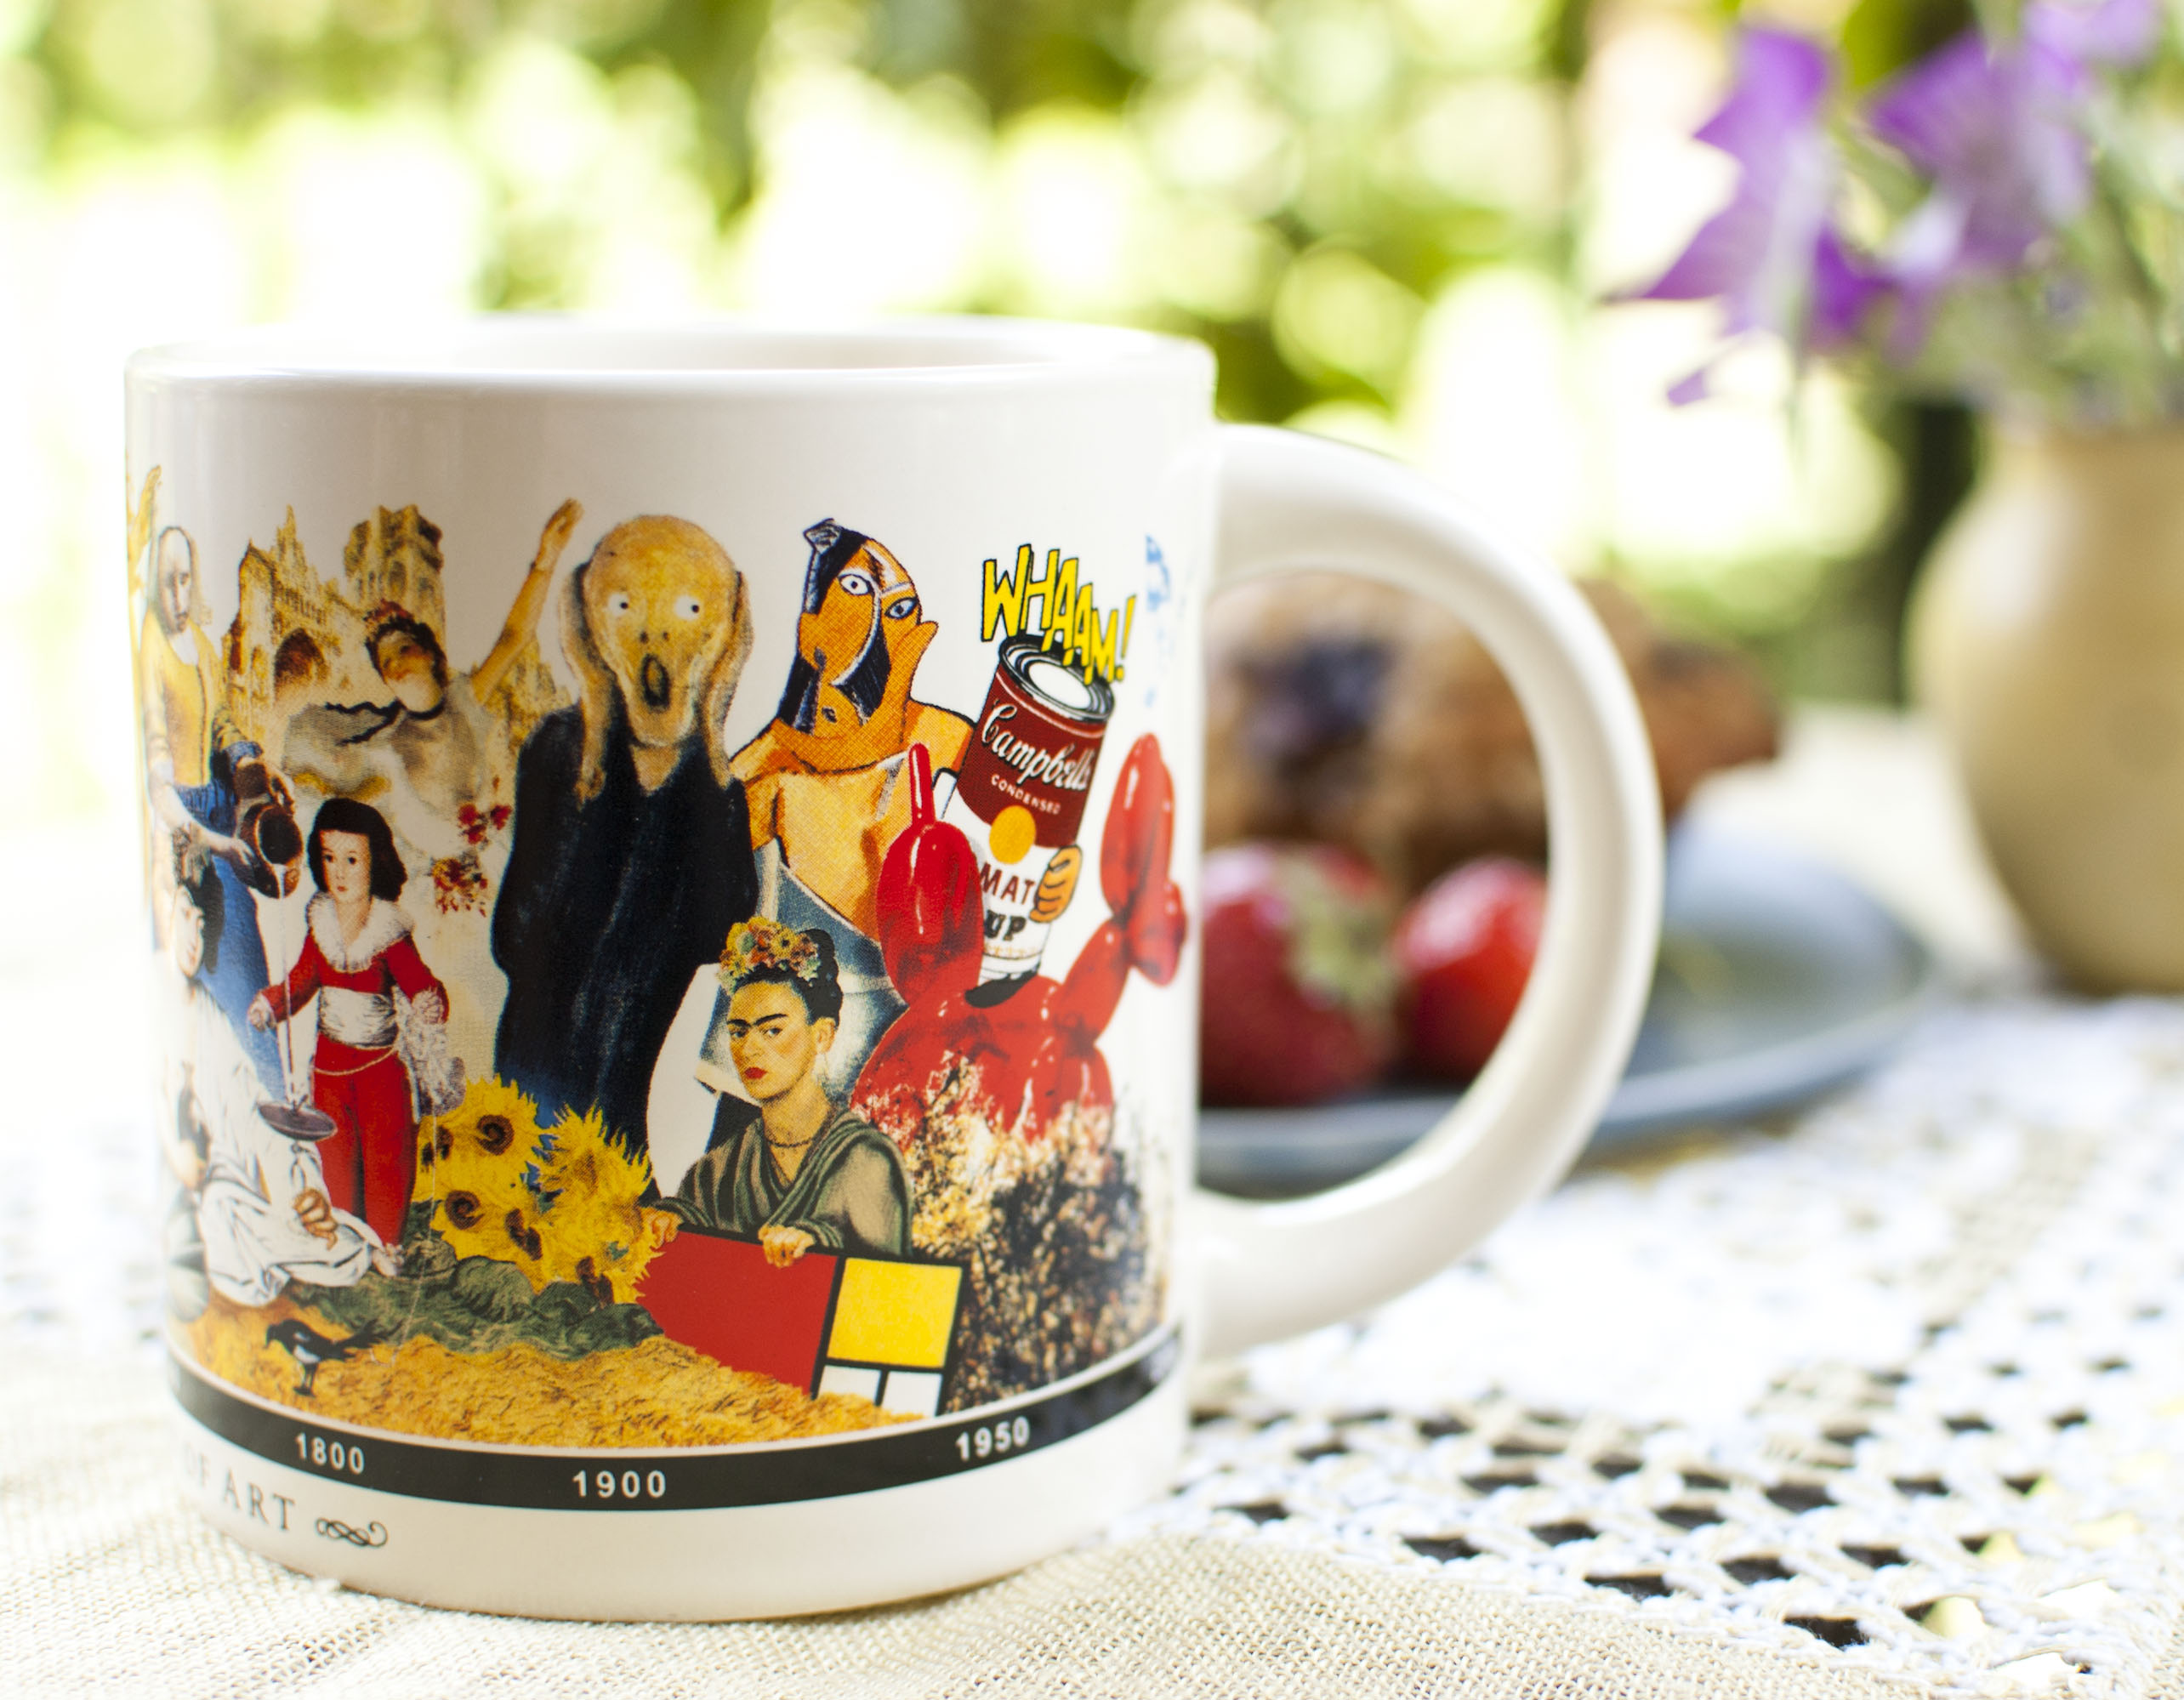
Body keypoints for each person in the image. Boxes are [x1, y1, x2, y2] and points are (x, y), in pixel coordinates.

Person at [491, 515, 759, 1161]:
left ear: (725, 633)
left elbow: (722, 944)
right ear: (589, 619)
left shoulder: (720, 795)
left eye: (689, 609)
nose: (654, 635)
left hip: (645, 1106)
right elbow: (514, 936)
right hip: (534, 1083)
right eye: (624, 605)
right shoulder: (559, 753)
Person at [158, 848, 382, 1312]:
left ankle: (313, 1237)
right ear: (164, 911)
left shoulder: (215, 1025)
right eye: (184, 916)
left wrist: (303, 1191)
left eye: (202, 923)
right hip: (212, 1205)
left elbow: (256, 1113)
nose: (194, 937)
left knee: (323, 1240)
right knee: (219, 1220)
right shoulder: (157, 1007)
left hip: (237, 1199)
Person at [250, 798, 455, 1248]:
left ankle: (385, 1245)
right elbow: (301, 981)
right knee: (335, 1159)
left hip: (379, 1070)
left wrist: (429, 1001)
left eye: (351, 860)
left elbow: (420, 983)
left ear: (374, 862)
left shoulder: (388, 933)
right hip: (328, 1071)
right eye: (329, 858)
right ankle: (347, 1243)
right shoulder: (320, 923)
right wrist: (270, 1004)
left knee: (386, 1157)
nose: (338, 873)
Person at [666, 919, 912, 1264]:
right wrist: (670, 1219)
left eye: (772, 1031)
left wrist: (819, 1243)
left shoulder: (867, 1160)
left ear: (821, 1036)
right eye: (738, 1032)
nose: (749, 1049)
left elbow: (888, 1279)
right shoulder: (717, 1171)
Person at [139, 524, 284, 1089]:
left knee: (247, 961)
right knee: (204, 966)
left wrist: (251, 763)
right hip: (188, 833)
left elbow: (222, 720)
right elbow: (158, 784)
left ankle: (270, 1093)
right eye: (167, 583)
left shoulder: (199, 643)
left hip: (221, 808)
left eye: (185, 580)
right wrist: (214, 842)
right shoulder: (152, 647)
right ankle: (217, 1100)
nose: (178, 596)